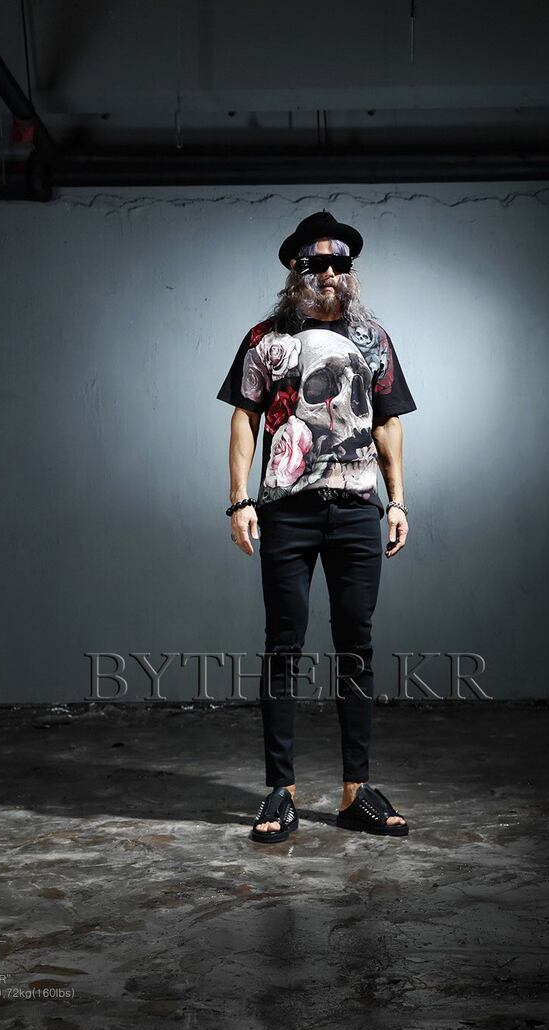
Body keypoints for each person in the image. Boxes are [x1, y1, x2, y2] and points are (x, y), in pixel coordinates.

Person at [216, 210, 418, 843]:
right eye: (315, 263)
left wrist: (397, 501)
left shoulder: (372, 339)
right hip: (288, 510)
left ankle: (357, 791)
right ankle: (281, 792)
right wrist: (239, 501)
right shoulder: (265, 339)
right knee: (284, 644)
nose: (328, 273)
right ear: (294, 269)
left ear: (349, 272)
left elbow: (387, 422)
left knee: (356, 643)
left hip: (357, 509)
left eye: (339, 264)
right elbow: (244, 418)